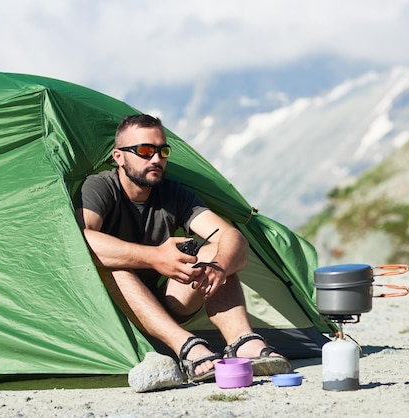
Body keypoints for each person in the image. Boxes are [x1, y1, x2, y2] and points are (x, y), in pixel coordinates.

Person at [74, 114, 291, 382]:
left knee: (219, 253)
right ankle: (188, 348)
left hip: (162, 304)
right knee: (112, 266)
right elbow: (80, 240)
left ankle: (242, 343)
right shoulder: (101, 187)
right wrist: (155, 257)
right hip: (107, 311)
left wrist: (221, 265)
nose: (156, 159)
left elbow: (232, 237)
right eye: (144, 150)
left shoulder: (174, 194)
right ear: (119, 156)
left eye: (162, 151)